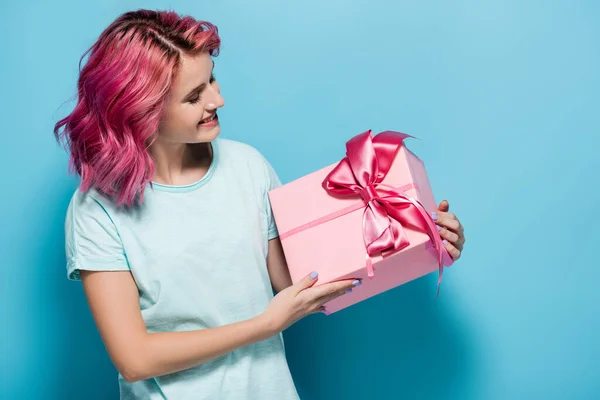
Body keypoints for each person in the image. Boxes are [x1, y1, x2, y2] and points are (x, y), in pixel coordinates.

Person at [53, 9, 466, 400]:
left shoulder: (247, 166)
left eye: (212, 81)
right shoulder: (96, 209)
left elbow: (300, 285)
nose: (217, 100)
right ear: (142, 111)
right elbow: (134, 358)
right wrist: (265, 325)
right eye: (194, 96)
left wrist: (420, 234)